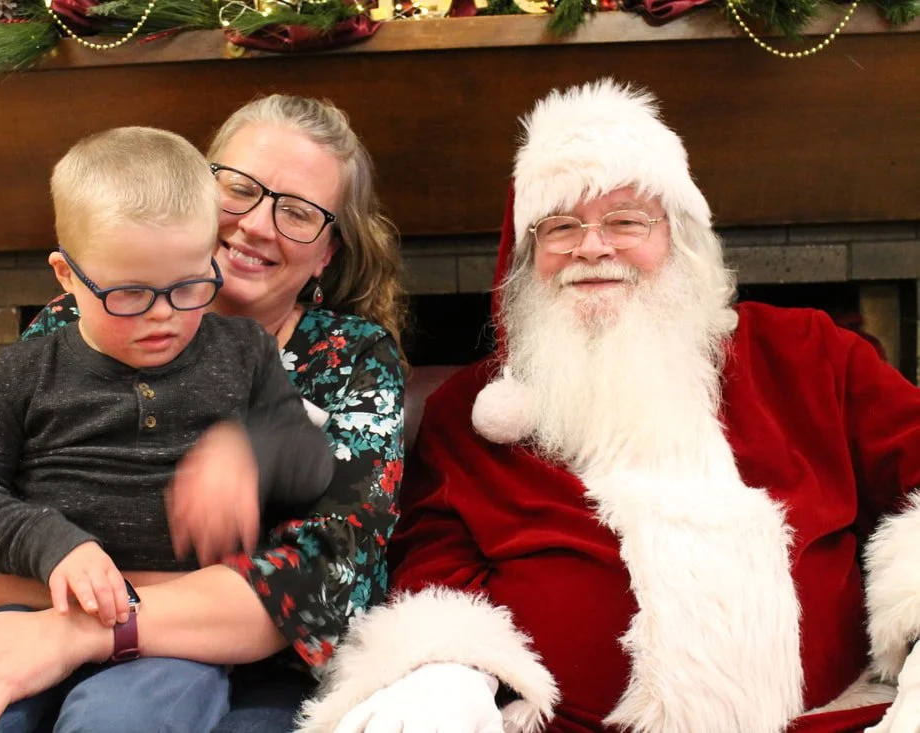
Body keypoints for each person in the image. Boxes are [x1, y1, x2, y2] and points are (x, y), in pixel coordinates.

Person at [294, 80, 920, 733]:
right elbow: (433, 574)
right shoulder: (469, 416)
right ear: (527, 256)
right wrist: (448, 674)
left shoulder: (810, 355)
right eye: (560, 226)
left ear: (679, 239)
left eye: (626, 220)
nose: (592, 247)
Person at [0, 95, 406, 733]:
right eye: (239, 189)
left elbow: (325, 579)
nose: (255, 225)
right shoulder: (69, 329)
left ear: (327, 252)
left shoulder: (323, 359)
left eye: (298, 211)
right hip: (38, 611)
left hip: (192, 660)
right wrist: (67, 572)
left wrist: (251, 453)